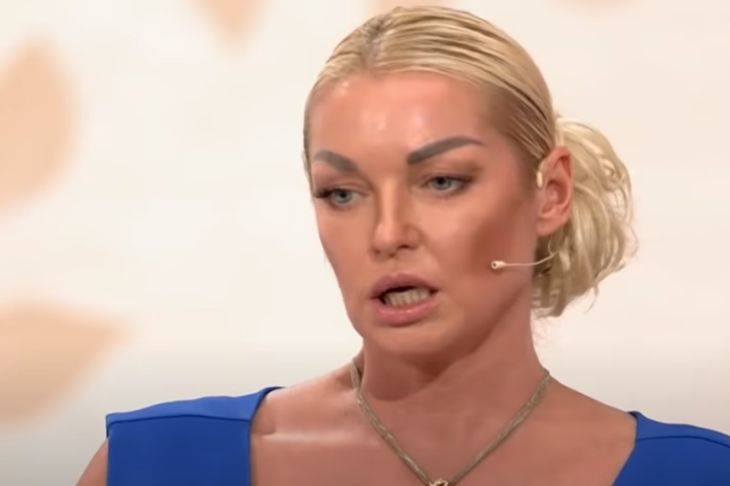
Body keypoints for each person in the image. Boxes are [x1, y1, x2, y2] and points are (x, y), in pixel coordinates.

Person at [78, 6, 730, 486]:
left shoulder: (698, 475)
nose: (387, 233)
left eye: (442, 181)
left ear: (550, 193)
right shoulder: (153, 466)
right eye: (342, 193)